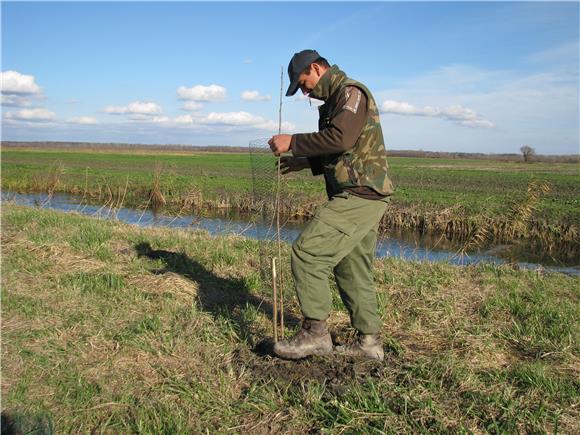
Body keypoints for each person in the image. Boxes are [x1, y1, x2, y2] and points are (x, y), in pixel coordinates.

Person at [268, 49, 394, 361]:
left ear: (315, 68)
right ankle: (369, 343)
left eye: (304, 83)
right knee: (352, 268)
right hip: (359, 194)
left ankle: (315, 335)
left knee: (308, 252)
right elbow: (339, 153)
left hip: (360, 194)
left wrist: (292, 142)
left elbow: (341, 138)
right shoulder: (333, 102)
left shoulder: (350, 93)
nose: (304, 92)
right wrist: (302, 162)